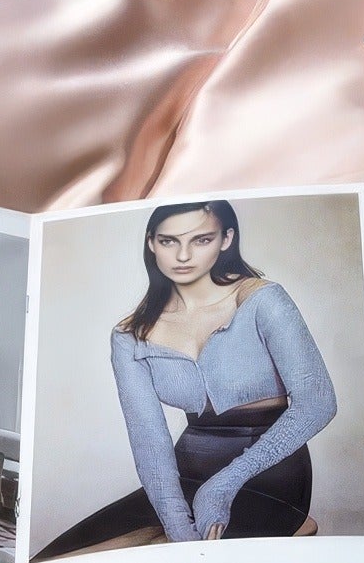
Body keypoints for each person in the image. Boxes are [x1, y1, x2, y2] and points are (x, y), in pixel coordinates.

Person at [104, 200, 337, 544]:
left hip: (271, 474)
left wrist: (224, 485)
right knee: (72, 559)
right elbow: (149, 443)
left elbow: (317, 403)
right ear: (151, 243)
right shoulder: (130, 336)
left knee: (160, 560)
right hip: (187, 477)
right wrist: (178, 526)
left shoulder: (263, 300)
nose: (183, 255)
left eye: (200, 240)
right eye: (169, 241)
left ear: (226, 239)